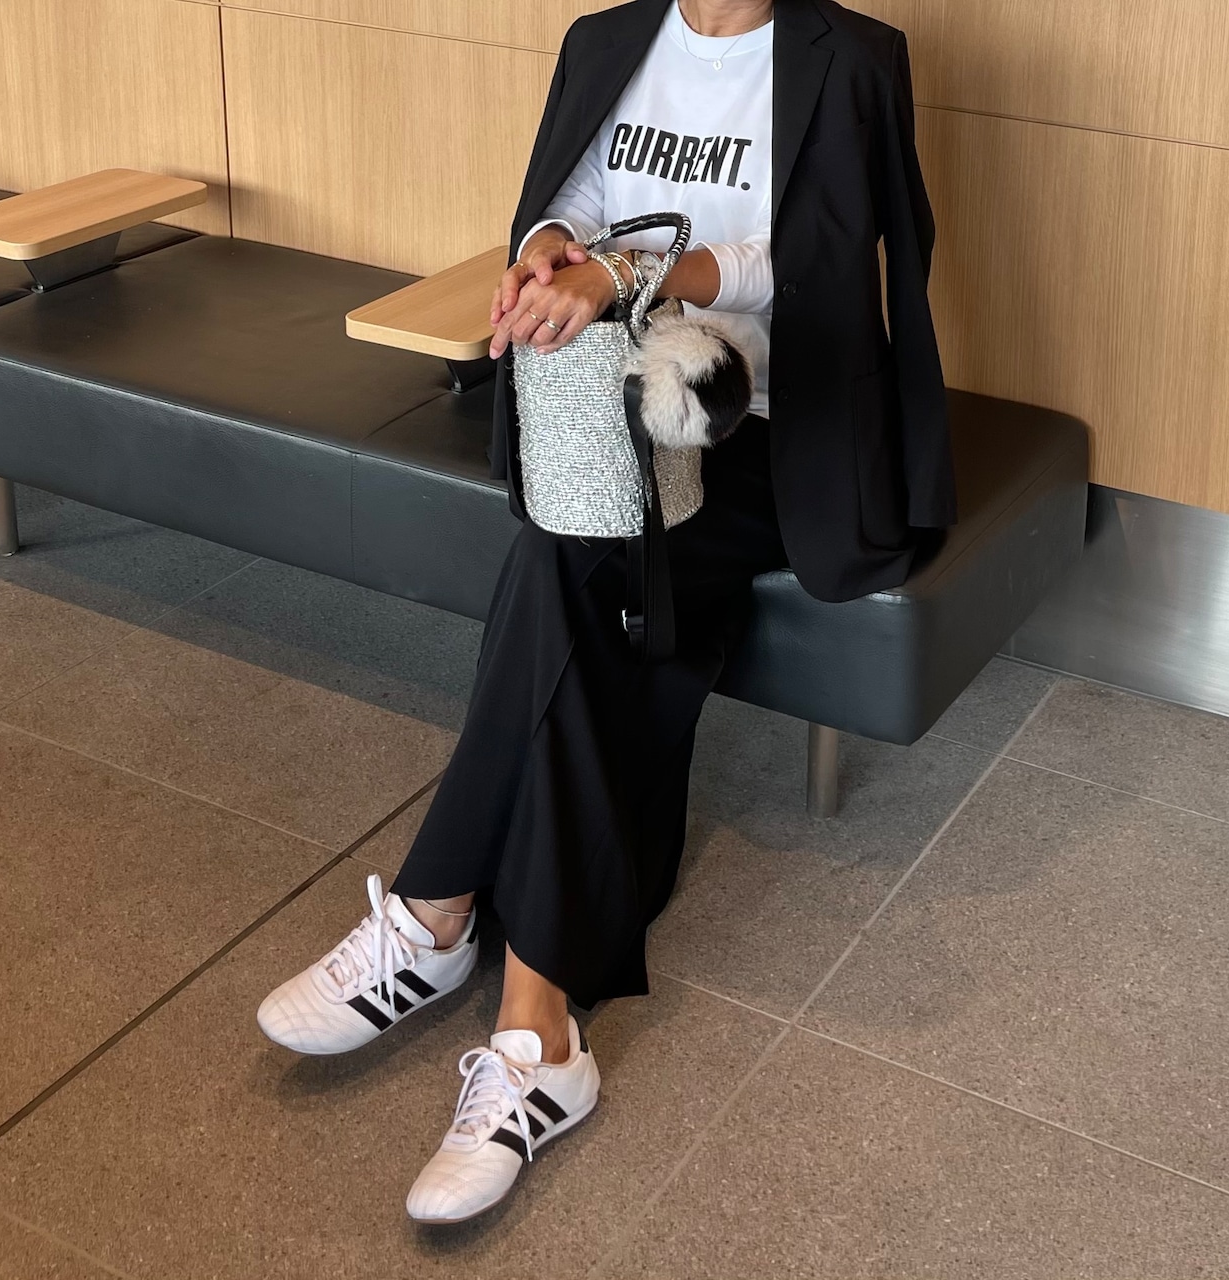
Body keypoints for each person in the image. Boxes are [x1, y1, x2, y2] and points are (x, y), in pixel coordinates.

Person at [257, 0, 955, 1226]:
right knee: (578, 561)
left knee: (566, 558)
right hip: (609, 406)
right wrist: (545, 251)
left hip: (761, 429)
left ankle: (441, 917)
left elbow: (815, 258)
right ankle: (535, 1038)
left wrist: (634, 271)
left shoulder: (850, 57)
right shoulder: (604, 41)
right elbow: (562, 201)